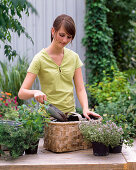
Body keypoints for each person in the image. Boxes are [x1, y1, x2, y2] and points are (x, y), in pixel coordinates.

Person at [18, 14, 101, 120]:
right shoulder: (39, 59)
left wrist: (85, 109)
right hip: (48, 118)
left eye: (69, 37)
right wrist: (35, 92)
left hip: (70, 117)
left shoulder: (74, 57)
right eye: (62, 35)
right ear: (53, 31)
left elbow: (80, 89)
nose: (65, 40)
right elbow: (22, 93)